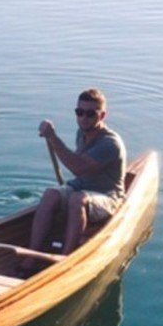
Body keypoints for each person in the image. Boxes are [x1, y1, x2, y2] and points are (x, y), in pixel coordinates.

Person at [28, 88, 126, 269]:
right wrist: (53, 139)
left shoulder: (110, 144)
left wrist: (53, 138)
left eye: (90, 114)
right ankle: (31, 256)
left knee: (77, 200)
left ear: (102, 115)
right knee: (50, 194)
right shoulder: (82, 133)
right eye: (79, 112)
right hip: (82, 186)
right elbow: (77, 168)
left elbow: (77, 167)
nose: (84, 118)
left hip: (107, 196)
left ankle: (64, 261)